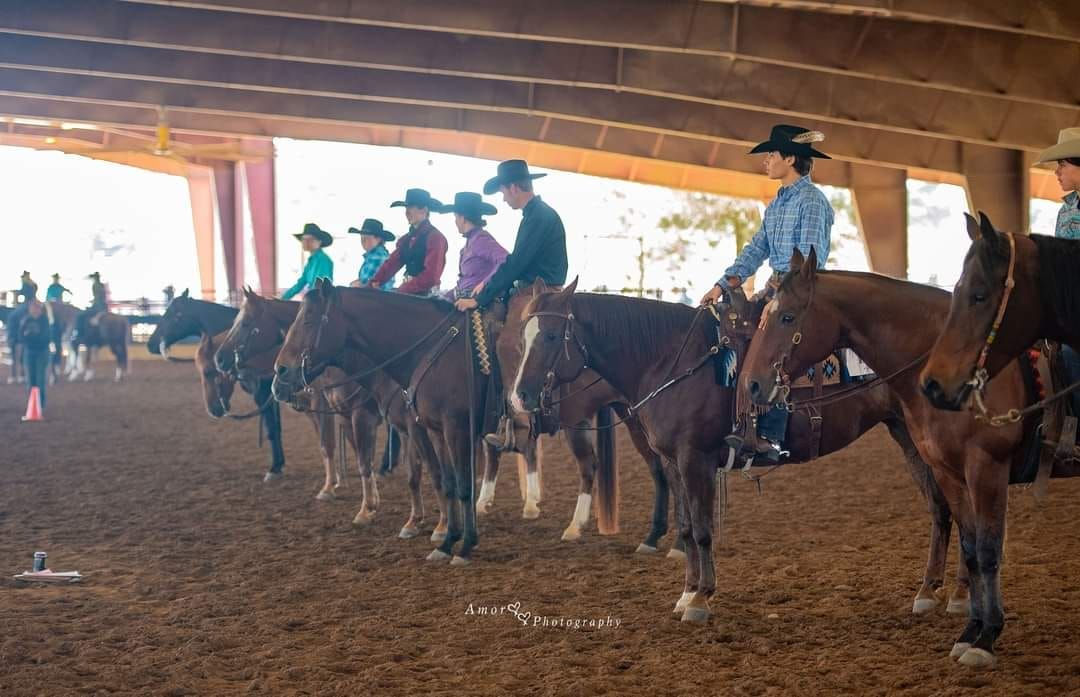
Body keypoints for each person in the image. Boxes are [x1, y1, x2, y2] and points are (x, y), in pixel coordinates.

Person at [700, 124, 835, 463]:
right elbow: (755, 249)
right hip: (777, 289)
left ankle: (771, 435)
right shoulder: (777, 204)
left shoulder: (812, 201)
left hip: (799, 293)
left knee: (771, 345)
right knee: (728, 330)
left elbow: (807, 260)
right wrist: (722, 284)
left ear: (790, 158)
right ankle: (736, 420)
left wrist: (777, 298)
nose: (766, 161)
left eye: (771, 155)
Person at [453, 160, 568, 452]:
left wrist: (480, 297)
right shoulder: (536, 215)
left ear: (514, 187)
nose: (503, 198)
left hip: (538, 294)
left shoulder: (538, 217)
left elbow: (516, 263)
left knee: (506, 345)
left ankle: (520, 422)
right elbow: (513, 262)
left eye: (504, 192)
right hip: (531, 290)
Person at [1035, 127, 1080, 415]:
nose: (1057, 172)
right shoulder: (1065, 211)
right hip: (1068, 306)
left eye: (1062, 164)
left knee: (1070, 355)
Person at [367, 189, 448, 296]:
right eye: (406, 208)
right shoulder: (406, 239)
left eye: (410, 208)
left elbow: (431, 277)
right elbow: (392, 263)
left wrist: (404, 289)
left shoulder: (436, 238)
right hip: (409, 294)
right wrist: (375, 282)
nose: (406, 212)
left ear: (424, 210)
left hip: (426, 297)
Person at [439, 192, 508, 301]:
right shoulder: (468, 244)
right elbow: (464, 282)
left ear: (462, 218)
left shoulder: (481, 240)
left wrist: (485, 283)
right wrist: (443, 297)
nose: (455, 221)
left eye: (456, 217)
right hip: (462, 302)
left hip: (480, 305)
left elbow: (505, 260)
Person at [282, 223, 334, 300]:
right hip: (313, 299)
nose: (306, 242)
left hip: (321, 302)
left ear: (319, 242)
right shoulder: (311, 261)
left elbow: (319, 286)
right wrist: (283, 298)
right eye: (304, 239)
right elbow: (300, 283)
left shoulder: (323, 260)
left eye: (310, 239)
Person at [20, 299, 51, 411]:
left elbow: (46, 338)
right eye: (33, 308)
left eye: (37, 308)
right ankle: (32, 405)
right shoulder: (26, 321)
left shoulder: (44, 321)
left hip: (41, 352)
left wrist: (31, 337)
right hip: (30, 352)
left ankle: (40, 406)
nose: (34, 310)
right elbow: (21, 337)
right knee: (31, 381)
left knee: (40, 380)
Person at [348, 219, 396, 289]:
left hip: (374, 298)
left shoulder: (378, 257)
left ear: (379, 239)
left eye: (367, 237)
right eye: (362, 237)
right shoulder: (375, 255)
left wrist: (356, 284)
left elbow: (367, 286)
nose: (363, 240)